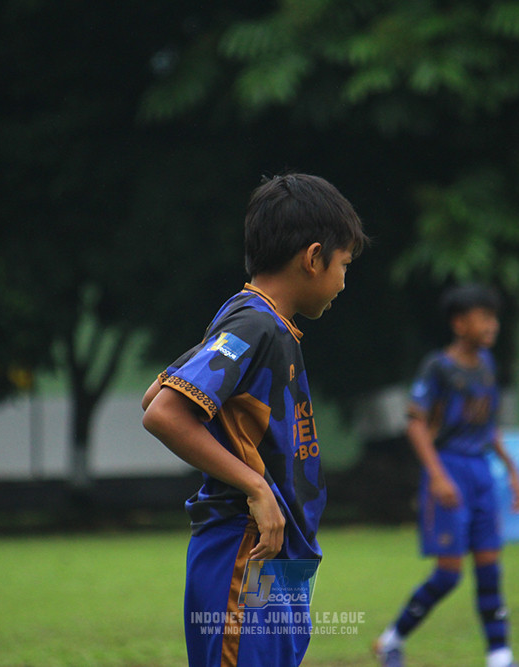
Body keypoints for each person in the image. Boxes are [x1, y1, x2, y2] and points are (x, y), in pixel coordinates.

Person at [141, 173, 369, 667]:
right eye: (344, 265)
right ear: (313, 258)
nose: (344, 282)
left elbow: (157, 391)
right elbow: (162, 412)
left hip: (276, 553)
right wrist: (257, 488)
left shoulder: (258, 321)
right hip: (246, 548)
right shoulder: (255, 322)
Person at [374, 284, 519, 667]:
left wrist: (511, 470)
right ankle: (391, 640)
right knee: (448, 575)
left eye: (494, 317)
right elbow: (415, 422)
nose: (492, 324)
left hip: (480, 472)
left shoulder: (488, 364)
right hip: (449, 468)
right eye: (483, 317)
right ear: (460, 323)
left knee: (490, 568)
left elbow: (488, 426)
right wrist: (438, 476)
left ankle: (500, 656)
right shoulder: (438, 367)